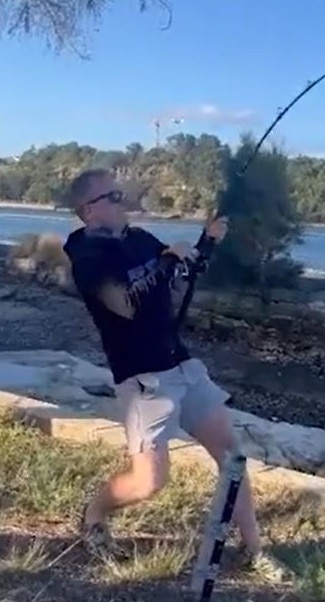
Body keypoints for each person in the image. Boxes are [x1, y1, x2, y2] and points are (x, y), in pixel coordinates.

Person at [62, 168, 288, 581]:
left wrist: (205, 245)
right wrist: (166, 261)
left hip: (181, 363)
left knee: (233, 460)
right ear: (88, 212)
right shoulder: (87, 258)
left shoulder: (141, 239)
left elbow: (183, 271)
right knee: (149, 482)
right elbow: (123, 303)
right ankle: (95, 511)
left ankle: (257, 551)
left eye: (121, 192)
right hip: (143, 378)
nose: (123, 199)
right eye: (112, 196)